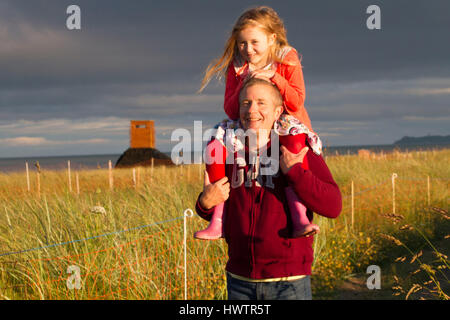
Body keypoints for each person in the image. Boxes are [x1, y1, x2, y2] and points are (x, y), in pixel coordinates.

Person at [195, 78, 342, 300]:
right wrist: (204, 203)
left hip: (288, 282)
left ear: (277, 111)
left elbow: (333, 206)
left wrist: (295, 172)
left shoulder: (296, 149)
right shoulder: (228, 149)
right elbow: (217, 205)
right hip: (239, 280)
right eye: (246, 102)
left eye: (261, 103)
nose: (252, 110)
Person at [195, 6, 321, 240]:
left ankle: (299, 216)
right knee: (214, 147)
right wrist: (244, 83)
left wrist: (275, 78)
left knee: (292, 144)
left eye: (255, 42)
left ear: (272, 39)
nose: (248, 49)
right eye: (242, 43)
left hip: (284, 119)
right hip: (249, 122)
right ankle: (217, 219)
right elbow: (231, 109)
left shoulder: (286, 57)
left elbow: (296, 101)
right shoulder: (238, 65)